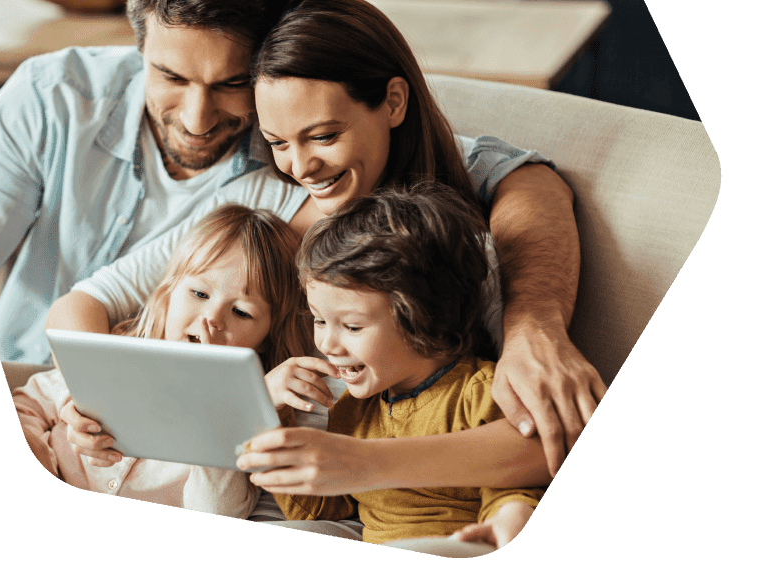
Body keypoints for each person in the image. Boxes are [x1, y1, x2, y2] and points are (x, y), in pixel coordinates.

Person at [50, 0, 605, 479]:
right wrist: (93, 401)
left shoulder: (442, 249)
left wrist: (356, 463)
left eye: (323, 136)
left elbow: (539, 437)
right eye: (278, 143)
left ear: (393, 102)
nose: (301, 166)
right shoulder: (260, 200)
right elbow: (87, 303)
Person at [0, 0, 300, 365]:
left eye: (232, 84)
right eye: (172, 77)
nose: (197, 121)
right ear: (139, 46)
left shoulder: (292, 170)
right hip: (14, 378)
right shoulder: (52, 95)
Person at [261, 182, 544, 549]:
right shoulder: (354, 409)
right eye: (318, 320)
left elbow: (514, 482)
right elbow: (322, 509)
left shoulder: (478, 392)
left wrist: (510, 516)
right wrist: (273, 417)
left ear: (423, 318)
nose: (326, 344)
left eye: (351, 326)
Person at [14, 204, 311, 515]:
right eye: (199, 294)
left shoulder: (247, 425)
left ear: (265, 341)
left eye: (241, 312)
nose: (212, 318)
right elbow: (27, 405)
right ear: (169, 295)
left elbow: (217, 511)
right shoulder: (114, 359)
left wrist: (216, 404)